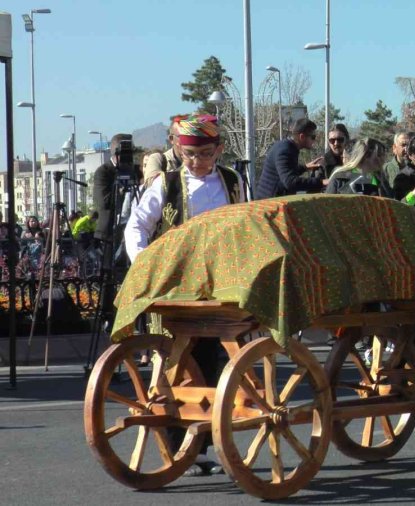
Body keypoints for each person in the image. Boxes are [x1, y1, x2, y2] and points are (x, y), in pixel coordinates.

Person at [124, 114, 244, 477]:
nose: (198, 161)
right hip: (176, 285)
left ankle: (210, 442)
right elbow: (136, 226)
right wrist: (147, 266)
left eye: (206, 153)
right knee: (175, 365)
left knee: (216, 362)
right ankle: (181, 448)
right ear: (177, 149)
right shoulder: (166, 183)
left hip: (220, 283)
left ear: (219, 149)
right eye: (190, 154)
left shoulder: (232, 181)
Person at [255, 118, 327, 199]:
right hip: (269, 204)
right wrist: (321, 182)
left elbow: (286, 171)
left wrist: (305, 167)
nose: (314, 140)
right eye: (313, 137)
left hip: (270, 200)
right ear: (302, 136)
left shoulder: (287, 146)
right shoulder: (285, 150)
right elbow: (290, 182)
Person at [325, 137, 392, 197]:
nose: (383, 159)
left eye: (384, 155)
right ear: (366, 155)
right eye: (379, 155)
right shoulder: (340, 178)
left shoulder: (381, 180)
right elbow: (327, 205)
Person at [141, 115, 184, 187]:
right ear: (171, 139)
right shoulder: (158, 159)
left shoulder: (205, 159)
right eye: (183, 137)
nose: (189, 141)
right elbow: (152, 185)